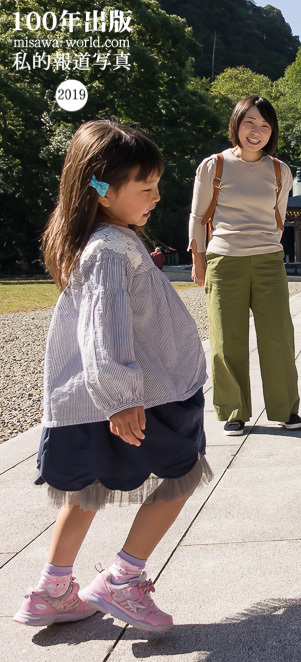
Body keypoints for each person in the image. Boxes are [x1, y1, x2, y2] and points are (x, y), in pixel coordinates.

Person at [13, 120, 211, 632]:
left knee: (88, 487)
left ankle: (53, 589)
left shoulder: (105, 240)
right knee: (181, 476)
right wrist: (121, 397)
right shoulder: (107, 249)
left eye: (157, 184)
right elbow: (103, 329)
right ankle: (124, 578)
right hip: (142, 393)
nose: (156, 196)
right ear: (101, 189)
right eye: (145, 187)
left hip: (91, 395)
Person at [188, 95, 301, 436]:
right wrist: (198, 259)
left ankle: (285, 409)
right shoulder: (214, 165)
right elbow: (198, 215)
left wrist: (269, 246)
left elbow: (278, 217)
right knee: (227, 338)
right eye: (249, 123)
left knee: (279, 337)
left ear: (273, 132)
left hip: (268, 260)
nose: (256, 132)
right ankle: (233, 410)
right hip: (224, 259)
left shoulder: (281, 170)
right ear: (236, 125)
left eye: (265, 126)